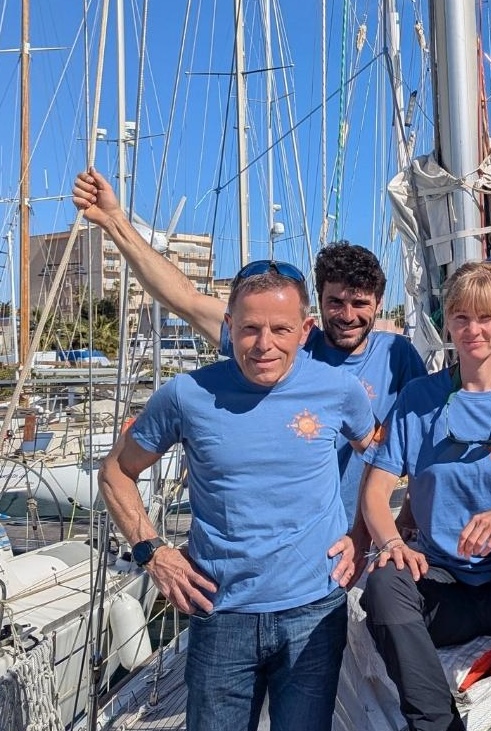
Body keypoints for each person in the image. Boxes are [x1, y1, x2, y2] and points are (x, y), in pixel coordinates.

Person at [72, 168, 427, 537]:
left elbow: (422, 443)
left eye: (360, 303)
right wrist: (115, 221)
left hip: (359, 538)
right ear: (316, 308)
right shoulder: (281, 344)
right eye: (335, 302)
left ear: (379, 303)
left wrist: (408, 517)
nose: (348, 315)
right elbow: (184, 299)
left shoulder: (397, 356)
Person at [99, 261, 376, 731]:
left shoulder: (340, 390)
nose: (264, 344)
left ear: (305, 330)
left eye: (280, 329)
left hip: (314, 611)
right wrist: (154, 552)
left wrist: (363, 536)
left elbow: (381, 457)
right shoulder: (185, 395)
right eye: (250, 328)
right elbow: (115, 473)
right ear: (230, 327)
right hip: (221, 613)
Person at [359, 261, 491, 731]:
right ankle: (437, 723)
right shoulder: (418, 399)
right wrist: (392, 543)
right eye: (461, 317)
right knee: (382, 582)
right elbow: (376, 493)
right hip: (444, 589)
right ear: (448, 324)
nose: (473, 330)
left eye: (485, 317)